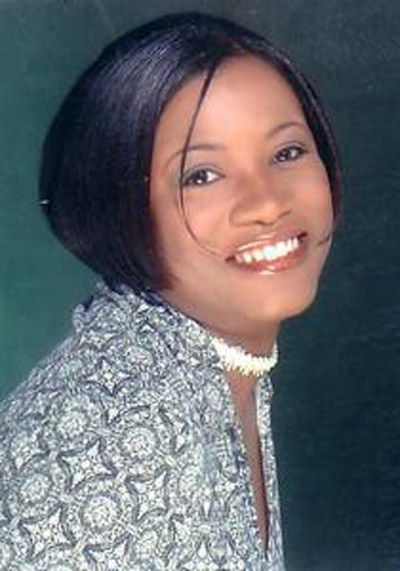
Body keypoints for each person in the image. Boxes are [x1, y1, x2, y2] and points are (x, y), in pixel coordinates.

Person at [0, 12, 341, 570]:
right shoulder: (126, 433)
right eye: (200, 175)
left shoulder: (208, 362)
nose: (267, 203)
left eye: (287, 152)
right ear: (123, 209)